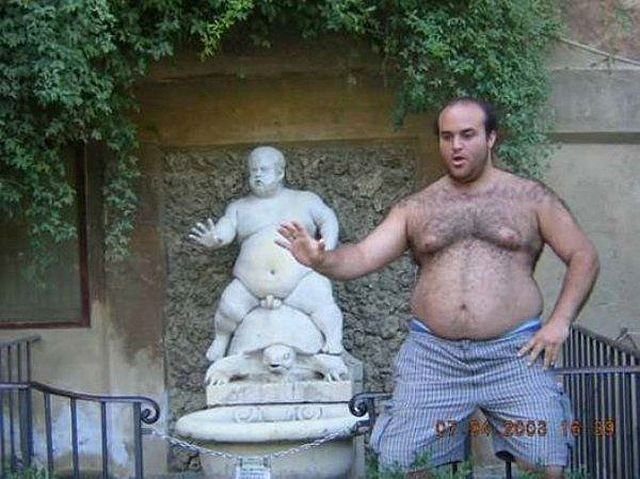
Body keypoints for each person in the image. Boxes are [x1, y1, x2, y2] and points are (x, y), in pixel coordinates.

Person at [277, 98, 599, 477]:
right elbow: (362, 256)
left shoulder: (531, 198)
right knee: (402, 463)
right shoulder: (417, 207)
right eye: (447, 137)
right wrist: (321, 260)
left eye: (467, 135)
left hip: (515, 353)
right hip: (433, 356)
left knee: (546, 464)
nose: (456, 146)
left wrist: (559, 322)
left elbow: (583, 255)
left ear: (491, 138)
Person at [190, 146, 344, 365]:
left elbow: (327, 218)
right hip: (249, 284)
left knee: (321, 300)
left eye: (263, 170)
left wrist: (326, 247)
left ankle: (333, 340)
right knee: (229, 306)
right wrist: (215, 238)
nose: (257, 175)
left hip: (300, 278)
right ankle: (221, 340)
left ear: (280, 173)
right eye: (253, 171)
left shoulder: (305, 200)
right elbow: (226, 227)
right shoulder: (239, 207)